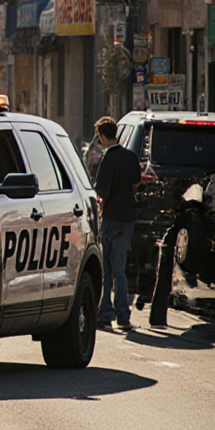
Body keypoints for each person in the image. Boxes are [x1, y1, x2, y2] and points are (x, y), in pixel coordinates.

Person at [94, 116, 141, 331]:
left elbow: (101, 190)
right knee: (119, 269)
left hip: (111, 217)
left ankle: (105, 315)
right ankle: (124, 315)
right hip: (128, 218)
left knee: (106, 270)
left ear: (102, 136)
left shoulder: (108, 160)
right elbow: (136, 183)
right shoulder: (130, 157)